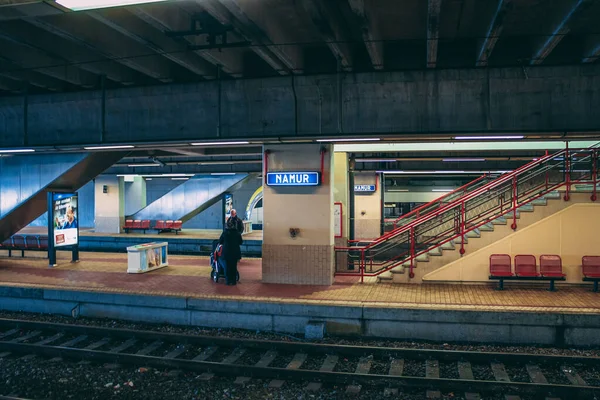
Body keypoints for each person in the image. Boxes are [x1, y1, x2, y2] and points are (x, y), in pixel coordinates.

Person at [218, 219, 243, 285]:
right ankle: (234, 281)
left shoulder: (225, 233)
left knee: (227, 267)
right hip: (235, 253)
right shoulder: (237, 233)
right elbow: (241, 242)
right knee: (234, 267)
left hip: (226, 253)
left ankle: (228, 281)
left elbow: (220, 241)